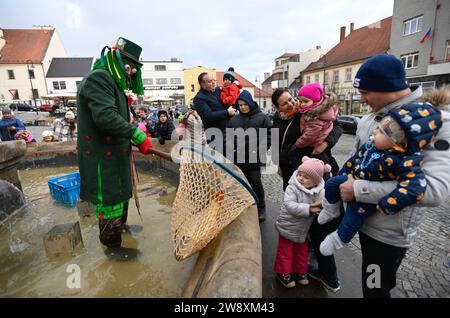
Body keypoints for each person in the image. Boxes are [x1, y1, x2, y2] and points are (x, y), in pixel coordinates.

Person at [337, 54, 450, 297]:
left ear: (388, 87)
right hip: (360, 219)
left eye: (366, 92)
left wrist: (357, 189)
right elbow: (355, 157)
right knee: (370, 280)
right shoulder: (370, 117)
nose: (363, 99)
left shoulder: (436, 120)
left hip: (387, 233)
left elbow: (434, 190)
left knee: (375, 289)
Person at [318, 103, 442, 256]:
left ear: (399, 142)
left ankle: (339, 239)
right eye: (378, 128)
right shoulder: (372, 145)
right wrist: (343, 174)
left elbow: (414, 187)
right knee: (330, 184)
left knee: (351, 219)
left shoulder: (404, 160)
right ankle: (330, 208)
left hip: (366, 200)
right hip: (351, 179)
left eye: (381, 132)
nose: (375, 132)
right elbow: (354, 159)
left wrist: (388, 204)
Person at [77, 37, 153, 249]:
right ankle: (113, 253)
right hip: (103, 161)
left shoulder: (113, 83)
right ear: (118, 62)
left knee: (121, 198)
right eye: (130, 69)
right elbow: (105, 118)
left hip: (116, 159)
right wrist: (138, 135)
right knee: (110, 203)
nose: (132, 74)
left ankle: (120, 231)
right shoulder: (99, 78)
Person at [271, 88, 343, 292]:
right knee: (296, 218)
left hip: (315, 174)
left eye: (292, 99)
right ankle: (297, 264)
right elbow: (277, 147)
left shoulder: (309, 111)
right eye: (285, 103)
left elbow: (335, 127)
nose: (292, 104)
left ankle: (324, 271)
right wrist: (281, 161)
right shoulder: (279, 122)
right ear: (278, 108)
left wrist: (326, 143)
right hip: (293, 177)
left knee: (319, 225)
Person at [274, 157, 330, 288]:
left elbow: (323, 204)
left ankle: (300, 272)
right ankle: (283, 272)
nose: (300, 178)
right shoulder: (292, 188)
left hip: (303, 229)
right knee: (285, 251)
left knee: (302, 251)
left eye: (306, 177)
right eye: (300, 174)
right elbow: (290, 205)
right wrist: (309, 209)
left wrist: (320, 207)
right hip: (288, 225)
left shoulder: (320, 191)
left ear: (316, 182)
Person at [227, 90, 273, 222]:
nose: (242, 107)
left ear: (250, 103)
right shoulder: (234, 119)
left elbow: (269, 136)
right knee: (240, 183)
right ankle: (244, 205)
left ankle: (261, 208)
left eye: (245, 104)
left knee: (255, 183)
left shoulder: (263, 117)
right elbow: (227, 136)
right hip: (238, 158)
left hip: (254, 158)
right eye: (240, 105)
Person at [194, 72, 236, 151]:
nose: (213, 83)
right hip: (214, 134)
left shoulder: (217, 90)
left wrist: (234, 107)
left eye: (213, 80)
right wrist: (227, 112)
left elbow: (228, 101)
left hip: (228, 131)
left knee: (232, 158)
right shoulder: (199, 98)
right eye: (210, 81)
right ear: (202, 85)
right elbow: (208, 115)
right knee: (219, 159)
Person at [293, 83, 338, 154]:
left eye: (306, 101)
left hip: (312, 147)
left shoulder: (314, 116)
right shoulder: (308, 111)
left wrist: (297, 144)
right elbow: (275, 139)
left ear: (316, 101)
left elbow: (309, 136)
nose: (302, 104)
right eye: (301, 101)